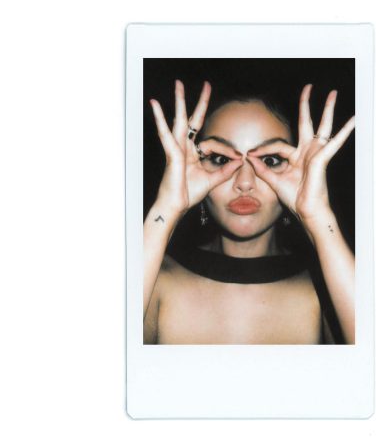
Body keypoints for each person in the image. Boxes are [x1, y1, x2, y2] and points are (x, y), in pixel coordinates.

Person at [143, 80, 355, 344]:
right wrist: (166, 208)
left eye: (270, 160)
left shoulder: (328, 288)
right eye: (221, 159)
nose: (244, 182)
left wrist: (318, 216)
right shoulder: (154, 277)